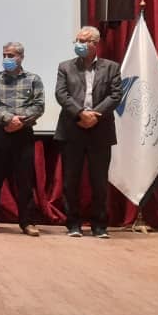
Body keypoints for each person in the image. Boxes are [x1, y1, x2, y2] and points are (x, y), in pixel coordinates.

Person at [54, 26, 123, 238]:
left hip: (100, 129)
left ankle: (99, 225)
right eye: (77, 40)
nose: (79, 44)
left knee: (99, 181)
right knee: (70, 181)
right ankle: (73, 224)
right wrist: (80, 114)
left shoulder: (111, 67)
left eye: (83, 41)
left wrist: (94, 115)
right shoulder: (65, 67)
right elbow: (61, 94)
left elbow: (116, 95)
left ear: (95, 44)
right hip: (72, 129)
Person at [0, 41, 45, 236]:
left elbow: (38, 106)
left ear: (21, 57)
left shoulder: (33, 79)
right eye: (4, 55)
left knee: (25, 180)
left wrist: (19, 121)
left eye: (11, 55)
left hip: (24, 133)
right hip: (0, 132)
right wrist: (8, 119)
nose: (7, 59)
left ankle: (27, 222)